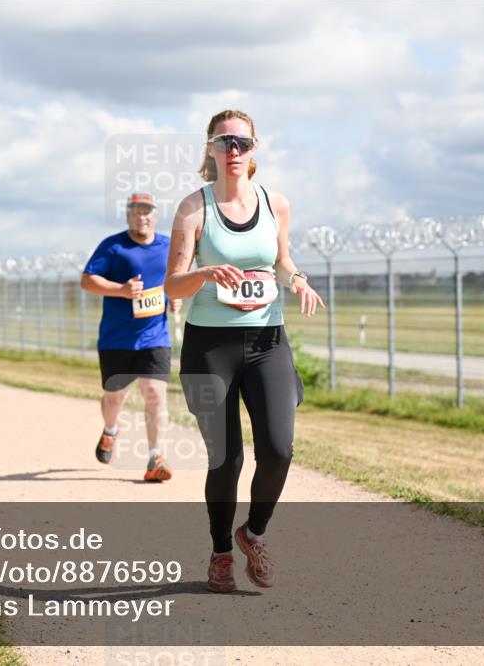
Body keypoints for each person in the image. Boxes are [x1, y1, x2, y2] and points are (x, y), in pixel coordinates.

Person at [164, 110, 324, 592]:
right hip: (209, 347)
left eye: (243, 142)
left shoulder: (276, 204)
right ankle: (220, 553)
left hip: (267, 341)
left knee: (277, 449)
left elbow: (281, 259)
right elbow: (172, 285)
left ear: (254, 148)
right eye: (224, 142)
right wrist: (204, 274)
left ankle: (253, 534)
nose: (234, 150)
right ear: (210, 149)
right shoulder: (193, 209)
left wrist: (297, 279)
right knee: (227, 459)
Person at [80, 192, 182, 482]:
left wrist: (176, 297)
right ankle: (110, 429)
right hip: (116, 339)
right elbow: (87, 281)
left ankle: (155, 457)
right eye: (136, 211)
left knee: (155, 393)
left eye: (147, 211)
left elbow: (177, 280)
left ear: (155, 215)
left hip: (154, 336)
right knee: (114, 398)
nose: (142, 216)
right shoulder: (113, 246)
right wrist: (122, 290)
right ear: (128, 215)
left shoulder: (168, 246)